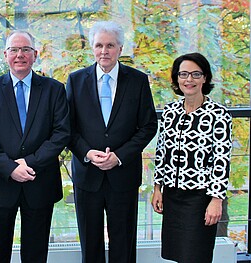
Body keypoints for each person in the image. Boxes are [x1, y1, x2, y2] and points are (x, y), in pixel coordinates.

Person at [0, 30, 70, 263]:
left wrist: (28, 163)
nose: (20, 55)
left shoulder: (54, 89)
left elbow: (61, 133)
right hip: (0, 182)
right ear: (5, 55)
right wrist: (9, 168)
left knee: (36, 253)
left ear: (35, 55)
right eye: (14, 50)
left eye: (25, 49)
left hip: (40, 181)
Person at [66, 21, 158, 263]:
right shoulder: (75, 81)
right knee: (90, 241)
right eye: (99, 45)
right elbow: (68, 128)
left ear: (120, 48)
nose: (104, 51)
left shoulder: (137, 81)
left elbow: (148, 125)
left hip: (123, 174)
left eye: (110, 45)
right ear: (92, 49)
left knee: (124, 242)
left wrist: (119, 156)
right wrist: (87, 153)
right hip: (87, 175)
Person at [151, 52, 232, 263]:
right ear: (177, 79)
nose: (189, 80)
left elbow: (221, 159)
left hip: (201, 198)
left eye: (196, 74)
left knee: (197, 255)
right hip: (173, 196)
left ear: (205, 78)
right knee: (177, 254)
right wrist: (158, 188)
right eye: (184, 74)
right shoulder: (170, 111)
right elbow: (162, 152)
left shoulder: (219, 114)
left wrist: (216, 200)